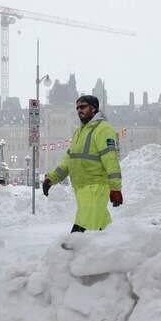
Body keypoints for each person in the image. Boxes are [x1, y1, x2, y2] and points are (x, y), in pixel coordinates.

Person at [42, 95, 122, 232]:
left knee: (80, 233)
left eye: (83, 107)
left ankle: (70, 247)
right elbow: (69, 160)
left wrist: (115, 188)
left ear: (94, 108)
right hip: (82, 190)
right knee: (103, 232)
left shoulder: (103, 129)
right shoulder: (79, 132)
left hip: (95, 189)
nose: (79, 110)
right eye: (77, 108)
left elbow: (111, 160)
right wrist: (51, 178)